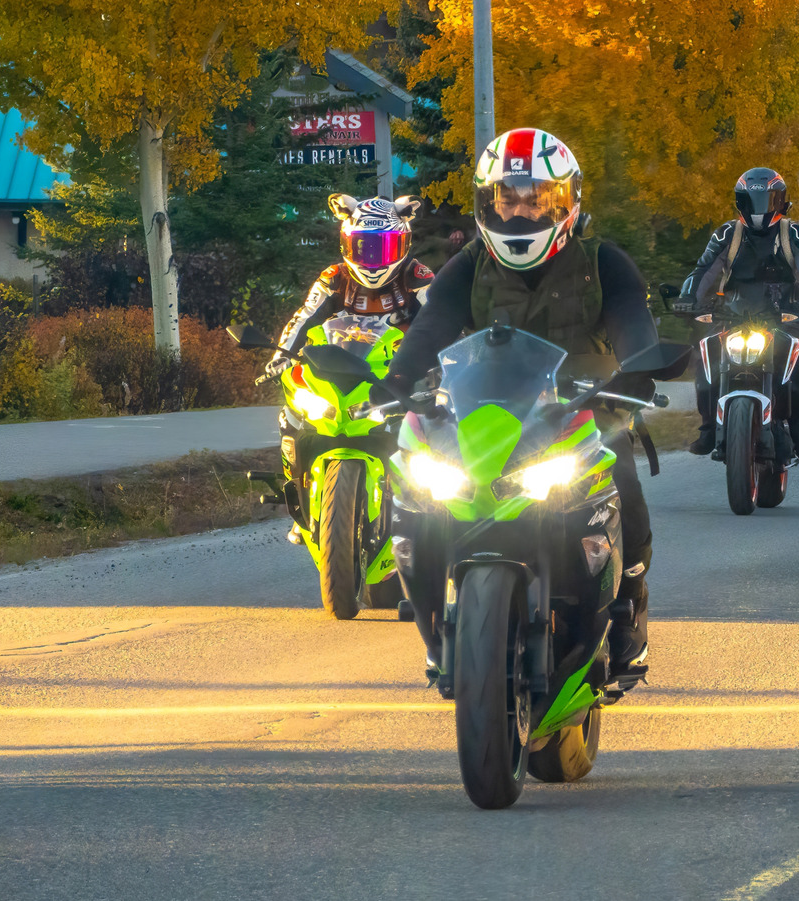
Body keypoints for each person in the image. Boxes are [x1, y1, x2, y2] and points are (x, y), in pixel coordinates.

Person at [379, 128, 661, 682]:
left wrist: (640, 370)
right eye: (507, 196)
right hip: (486, 412)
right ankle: (435, 618)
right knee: (425, 491)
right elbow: (433, 321)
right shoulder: (471, 262)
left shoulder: (603, 261)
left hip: (583, 410)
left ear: (567, 201)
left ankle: (628, 606)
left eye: (537, 197)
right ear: (488, 201)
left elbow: (633, 322)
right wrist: (397, 380)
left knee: (622, 482)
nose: (521, 209)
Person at [674, 167, 799, 461]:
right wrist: (687, 297)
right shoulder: (727, 234)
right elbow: (703, 270)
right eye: (754, 201)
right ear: (741, 202)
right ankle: (708, 426)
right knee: (705, 357)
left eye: (770, 200)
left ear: (781, 201)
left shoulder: (794, 233)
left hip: (785, 314)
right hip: (733, 315)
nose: (761, 209)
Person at [266, 194, 433, 375]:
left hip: (401, 373)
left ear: (404, 244)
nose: (373, 257)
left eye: (387, 247)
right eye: (363, 246)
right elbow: (305, 317)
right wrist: (282, 356)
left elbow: (441, 316)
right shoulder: (335, 278)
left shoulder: (416, 276)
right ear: (346, 244)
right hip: (340, 371)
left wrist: (449, 359)